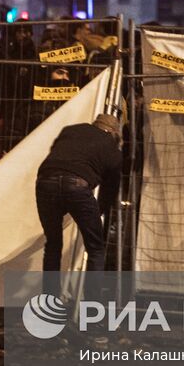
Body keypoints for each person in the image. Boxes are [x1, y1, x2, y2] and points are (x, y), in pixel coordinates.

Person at [35, 113, 123, 277]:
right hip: (78, 185)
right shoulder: (112, 147)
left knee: (53, 244)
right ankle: (91, 301)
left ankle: (50, 299)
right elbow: (111, 189)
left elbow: (57, 153)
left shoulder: (71, 131)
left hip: (45, 181)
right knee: (95, 248)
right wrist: (99, 211)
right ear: (113, 132)